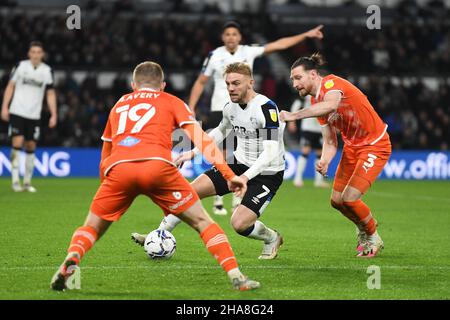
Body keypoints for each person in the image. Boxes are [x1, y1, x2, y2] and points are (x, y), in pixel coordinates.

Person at [50, 61, 260, 291]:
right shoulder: (170, 100)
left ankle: (72, 259)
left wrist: (107, 185)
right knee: (203, 222)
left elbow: (106, 152)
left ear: (133, 85)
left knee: (91, 227)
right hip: (158, 167)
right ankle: (236, 275)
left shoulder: (119, 105)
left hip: (119, 169)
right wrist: (229, 175)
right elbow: (202, 139)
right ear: (163, 85)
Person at [132, 62, 285, 260]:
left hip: (267, 174)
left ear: (251, 83)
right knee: (188, 193)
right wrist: (193, 153)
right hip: (237, 164)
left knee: (239, 224)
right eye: (228, 84)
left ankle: (272, 237)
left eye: (236, 83)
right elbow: (221, 131)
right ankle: (158, 235)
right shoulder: (230, 107)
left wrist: (245, 177)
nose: (231, 88)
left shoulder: (266, 108)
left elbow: (270, 152)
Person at [191, 21, 324, 215]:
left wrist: (306, 34)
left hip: (247, 109)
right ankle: (219, 200)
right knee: (223, 154)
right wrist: (191, 107)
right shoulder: (214, 55)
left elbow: (280, 44)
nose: (231, 37)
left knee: (239, 152)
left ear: (239, 37)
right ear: (223, 37)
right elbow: (201, 81)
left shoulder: (249, 51)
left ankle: (238, 196)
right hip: (221, 108)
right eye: (227, 34)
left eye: (234, 34)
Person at [280, 53, 391, 258]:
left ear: (313, 74)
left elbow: (331, 105)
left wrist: (294, 115)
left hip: (374, 145)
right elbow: (330, 141)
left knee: (349, 199)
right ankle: (363, 226)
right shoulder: (315, 101)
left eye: (298, 78)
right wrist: (324, 160)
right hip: (352, 147)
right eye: (292, 80)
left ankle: (372, 235)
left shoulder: (331, 84)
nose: (294, 84)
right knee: (336, 201)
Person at [1, 41, 57, 192]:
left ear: (42, 54)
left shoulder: (47, 71)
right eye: (33, 52)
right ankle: (14, 181)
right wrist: (4, 107)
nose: (36, 55)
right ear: (29, 53)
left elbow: (50, 93)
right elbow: (10, 86)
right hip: (18, 111)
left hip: (34, 114)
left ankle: (26, 182)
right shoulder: (21, 66)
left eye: (39, 52)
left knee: (31, 146)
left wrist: (54, 114)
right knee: (17, 143)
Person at [288, 96, 329, 188]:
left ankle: (318, 181)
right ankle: (297, 179)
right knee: (305, 151)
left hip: (320, 128)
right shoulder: (308, 94)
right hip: (307, 127)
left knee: (320, 153)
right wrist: (292, 121)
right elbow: (297, 104)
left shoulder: (325, 94)